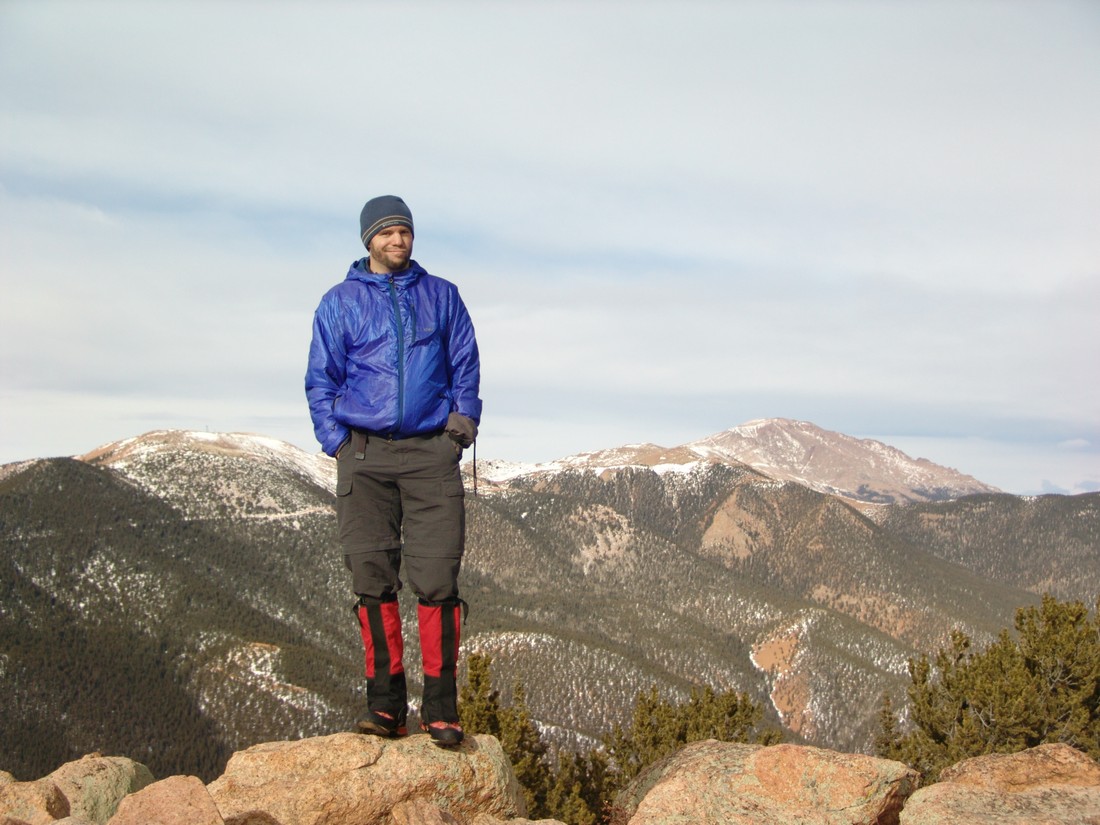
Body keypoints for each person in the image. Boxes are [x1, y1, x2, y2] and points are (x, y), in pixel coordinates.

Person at [305, 195, 482, 747]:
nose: (397, 241)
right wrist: (336, 441)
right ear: (368, 240)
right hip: (364, 454)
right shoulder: (339, 303)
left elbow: (466, 363)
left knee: (436, 582)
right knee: (372, 581)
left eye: (404, 231)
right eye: (386, 233)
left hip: (431, 453)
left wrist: (460, 426)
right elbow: (320, 379)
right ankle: (385, 708)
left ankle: (441, 709)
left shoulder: (442, 297)